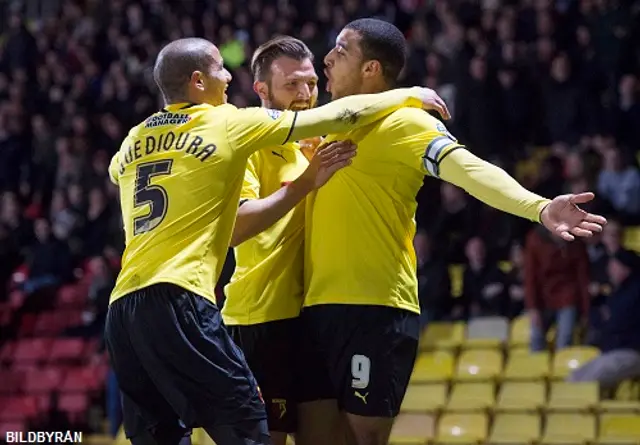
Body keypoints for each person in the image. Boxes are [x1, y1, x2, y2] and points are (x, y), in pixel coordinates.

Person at [104, 37, 448, 445]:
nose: (229, 75)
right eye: (219, 69)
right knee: (248, 426)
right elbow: (341, 114)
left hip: (124, 307)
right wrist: (408, 94)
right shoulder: (230, 124)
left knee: (158, 435)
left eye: (310, 83)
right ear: (198, 81)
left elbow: (117, 173)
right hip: (202, 302)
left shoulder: (131, 141)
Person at [298, 19, 607, 445]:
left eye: (341, 50)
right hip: (312, 305)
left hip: (371, 305)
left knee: (362, 438)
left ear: (371, 69)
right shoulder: (323, 125)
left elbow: (468, 169)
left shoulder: (405, 122)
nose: (327, 58)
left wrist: (538, 207)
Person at [222, 36, 356, 445]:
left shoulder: (318, 142)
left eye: (311, 83)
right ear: (261, 90)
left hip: (318, 314)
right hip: (263, 316)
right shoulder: (248, 145)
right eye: (292, 85)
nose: (305, 95)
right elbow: (235, 228)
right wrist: (305, 182)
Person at [568, 249, 640, 393]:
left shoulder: (635, 293)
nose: (610, 270)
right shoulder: (616, 293)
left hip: (630, 353)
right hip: (611, 352)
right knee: (573, 378)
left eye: (614, 266)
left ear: (625, 268)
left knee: (588, 382)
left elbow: (617, 322)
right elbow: (599, 320)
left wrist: (608, 317)